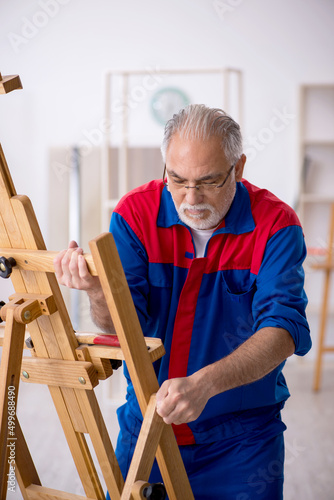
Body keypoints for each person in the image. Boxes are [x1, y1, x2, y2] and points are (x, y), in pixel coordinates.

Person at [54, 104, 311, 499]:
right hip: (147, 425)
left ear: (238, 168)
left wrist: (205, 385)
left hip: (241, 440)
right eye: (177, 180)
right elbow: (124, 324)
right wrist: (96, 290)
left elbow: (283, 330)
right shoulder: (134, 214)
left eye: (208, 181)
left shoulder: (276, 225)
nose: (191, 198)